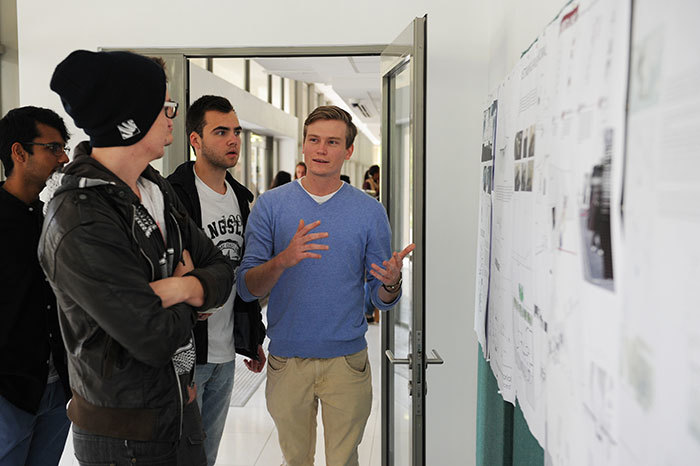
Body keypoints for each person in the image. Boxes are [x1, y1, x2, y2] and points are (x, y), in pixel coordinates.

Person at [38, 50, 234, 465]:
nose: (172, 117)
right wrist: (195, 298)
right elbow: (153, 337)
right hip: (124, 436)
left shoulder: (155, 190)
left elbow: (220, 268)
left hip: (178, 409)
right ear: (129, 121)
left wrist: (182, 286)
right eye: (164, 107)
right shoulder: (79, 217)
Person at [238, 105, 415, 465]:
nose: (321, 149)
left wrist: (392, 283)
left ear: (348, 151)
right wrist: (284, 259)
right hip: (288, 361)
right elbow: (246, 287)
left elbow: (378, 298)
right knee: (295, 459)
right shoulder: (271, 206)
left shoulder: (369, 212)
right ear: (303, 146)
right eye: (314, 140)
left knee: (344, 459)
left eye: (332, 142)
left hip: (346, 363)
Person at [167, 95, 266, 466]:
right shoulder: (172, 194)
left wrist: (252, 336)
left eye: (236, 132)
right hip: (189, 351)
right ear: (196, 140)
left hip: (226, 353)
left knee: (207, 456)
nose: (233, 140)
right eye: (221, 132)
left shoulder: (241, 198)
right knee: (182, 456)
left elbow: (242, 269)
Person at [0, 106, 72, 465]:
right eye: (53, 148)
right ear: (19, 152)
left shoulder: (50, 219)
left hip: (56, 386)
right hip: (9, 391)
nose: (64, 157)